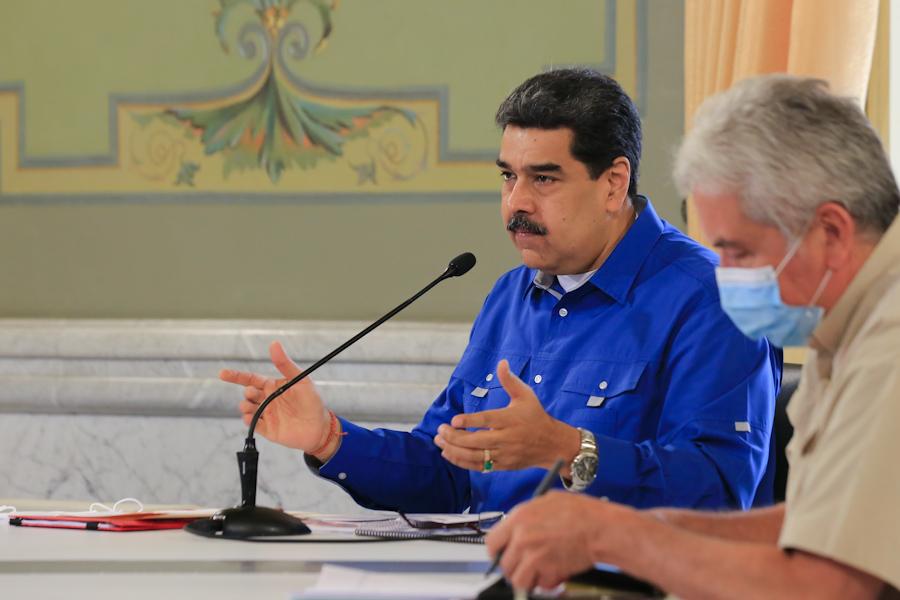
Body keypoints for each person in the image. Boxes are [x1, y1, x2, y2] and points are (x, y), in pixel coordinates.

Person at [219, 68, 781, 514]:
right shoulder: (512, 295)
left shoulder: (713, 299)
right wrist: (330, 438)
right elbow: (450, 471)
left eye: (544, 178)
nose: (516, 203)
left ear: (613, 184)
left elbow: (718, 490)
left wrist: (567, 450)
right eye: (508, 176)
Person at [485, 73, 900, 598]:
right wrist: (627, 530)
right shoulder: (843, 326)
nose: (726, 277)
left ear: (832, 232)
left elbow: (828, 585)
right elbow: (814, 527)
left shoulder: (889, 345)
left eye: (740, 252)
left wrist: (610, 536)